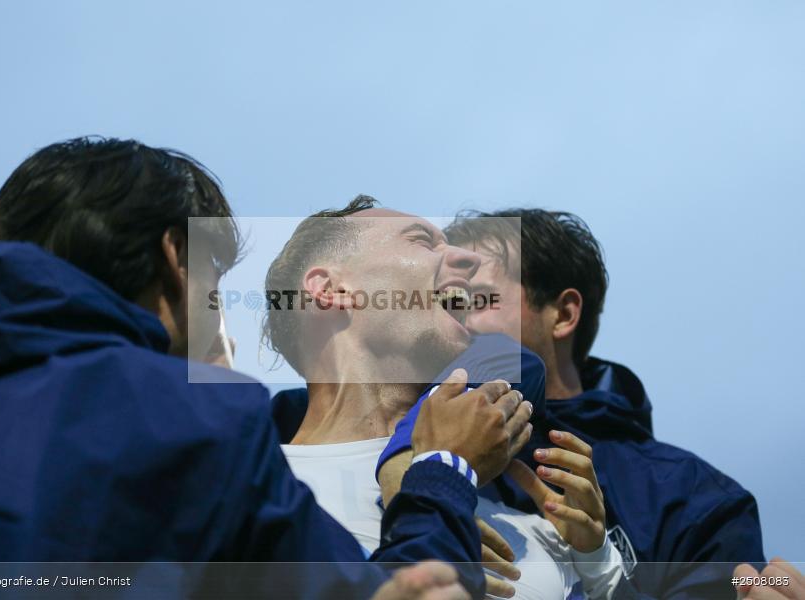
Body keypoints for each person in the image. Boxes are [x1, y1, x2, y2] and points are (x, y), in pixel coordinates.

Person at [0, 137, 519, 600]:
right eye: (215, 281)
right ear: (175, 258)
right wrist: (442, 473)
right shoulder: (196, 426)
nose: (218, 312)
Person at [263, 198, 627, 600]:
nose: (466, 260)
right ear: (331, 290)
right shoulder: (248, 494)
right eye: (422, 241)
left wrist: (599, 567)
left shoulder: (535, 534)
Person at [434, 209, 766, 598]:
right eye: (443, 304)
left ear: (563, 314)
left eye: (475, 299)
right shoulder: (389, 445)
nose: (452, 321)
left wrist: (599, 567)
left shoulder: (694, 500)